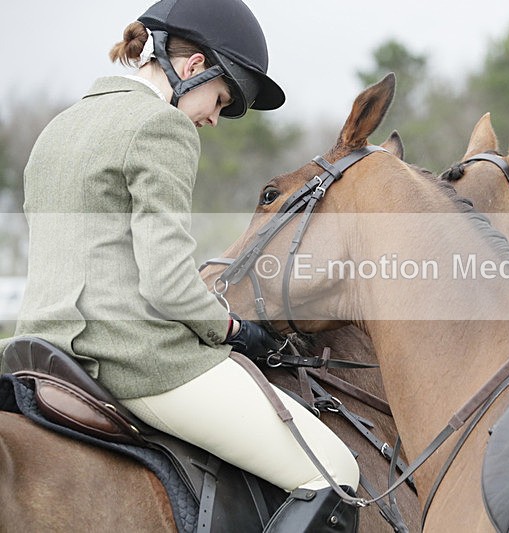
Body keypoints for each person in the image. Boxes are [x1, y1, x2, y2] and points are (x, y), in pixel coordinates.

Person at [1, 0, 359, 530]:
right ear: (193, 68)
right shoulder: (161, 128)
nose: (213, 118)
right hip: (134, 360)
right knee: (333, 471)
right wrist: (234, 328)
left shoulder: (61, 125)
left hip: (40, 353)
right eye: (219, 99)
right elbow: (167, 285)